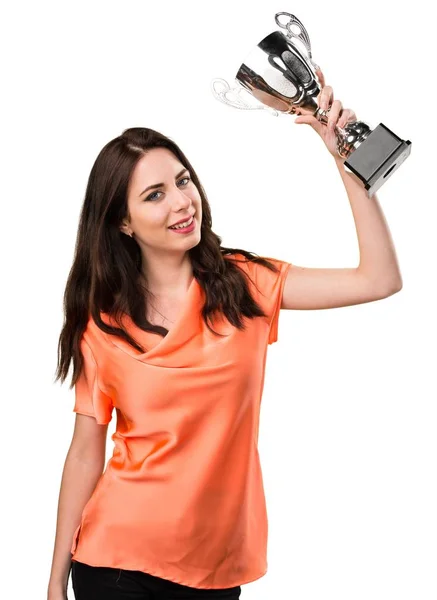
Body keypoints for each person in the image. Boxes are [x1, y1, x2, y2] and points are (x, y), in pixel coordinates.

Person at [47, 75, 402, 600]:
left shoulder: (245, 286)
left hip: (216, 567)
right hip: (116, 560)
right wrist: (55, 579)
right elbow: (85, 452)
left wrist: (344, 160)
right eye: (155, 195)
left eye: (183, 181)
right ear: (123, 221)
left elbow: (379, 279)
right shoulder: (102, 324)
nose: (182, 202)